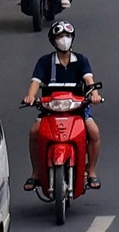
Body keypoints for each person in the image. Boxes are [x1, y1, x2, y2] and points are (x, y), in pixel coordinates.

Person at [22, 20, 102, 190]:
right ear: (53, 40)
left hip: (77, 110)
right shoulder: (44, 62)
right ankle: (36, 172)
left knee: (94, 132)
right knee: (34, 132)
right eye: (60, 36)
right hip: (50, 111)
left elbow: (89, 80)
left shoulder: (81, 60)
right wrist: (30, 96)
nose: (64, 39)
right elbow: (35, 83)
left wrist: (94, 94)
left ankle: (92, 170)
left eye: (67, 36)